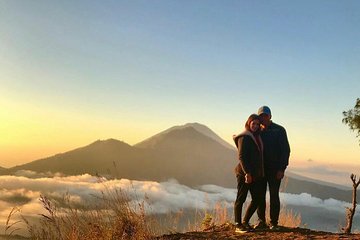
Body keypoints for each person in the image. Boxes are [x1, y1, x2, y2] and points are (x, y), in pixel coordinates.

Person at [256, 106, 290, 230]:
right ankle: (261, 221)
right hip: (261, 170)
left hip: (275, 170)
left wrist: (282, 169)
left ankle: (274, 223)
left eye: (265, 115)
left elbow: (285, 151)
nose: (263, 118)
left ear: (270, 116)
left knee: (274, 196)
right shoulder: (257, 130)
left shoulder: (279, 130)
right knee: (260, 195)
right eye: (261, 116)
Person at [233, 114, 266, 233]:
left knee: (257, 198)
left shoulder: (256, 136)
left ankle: (245, 221)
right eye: (254, 123)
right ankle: (238, 225)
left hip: (254, 173)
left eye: (258, 124)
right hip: (244, 173)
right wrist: (247, 173)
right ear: (248, 122)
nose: (256, 126)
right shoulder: (245, 137)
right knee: (241, 198)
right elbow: (241, 156)